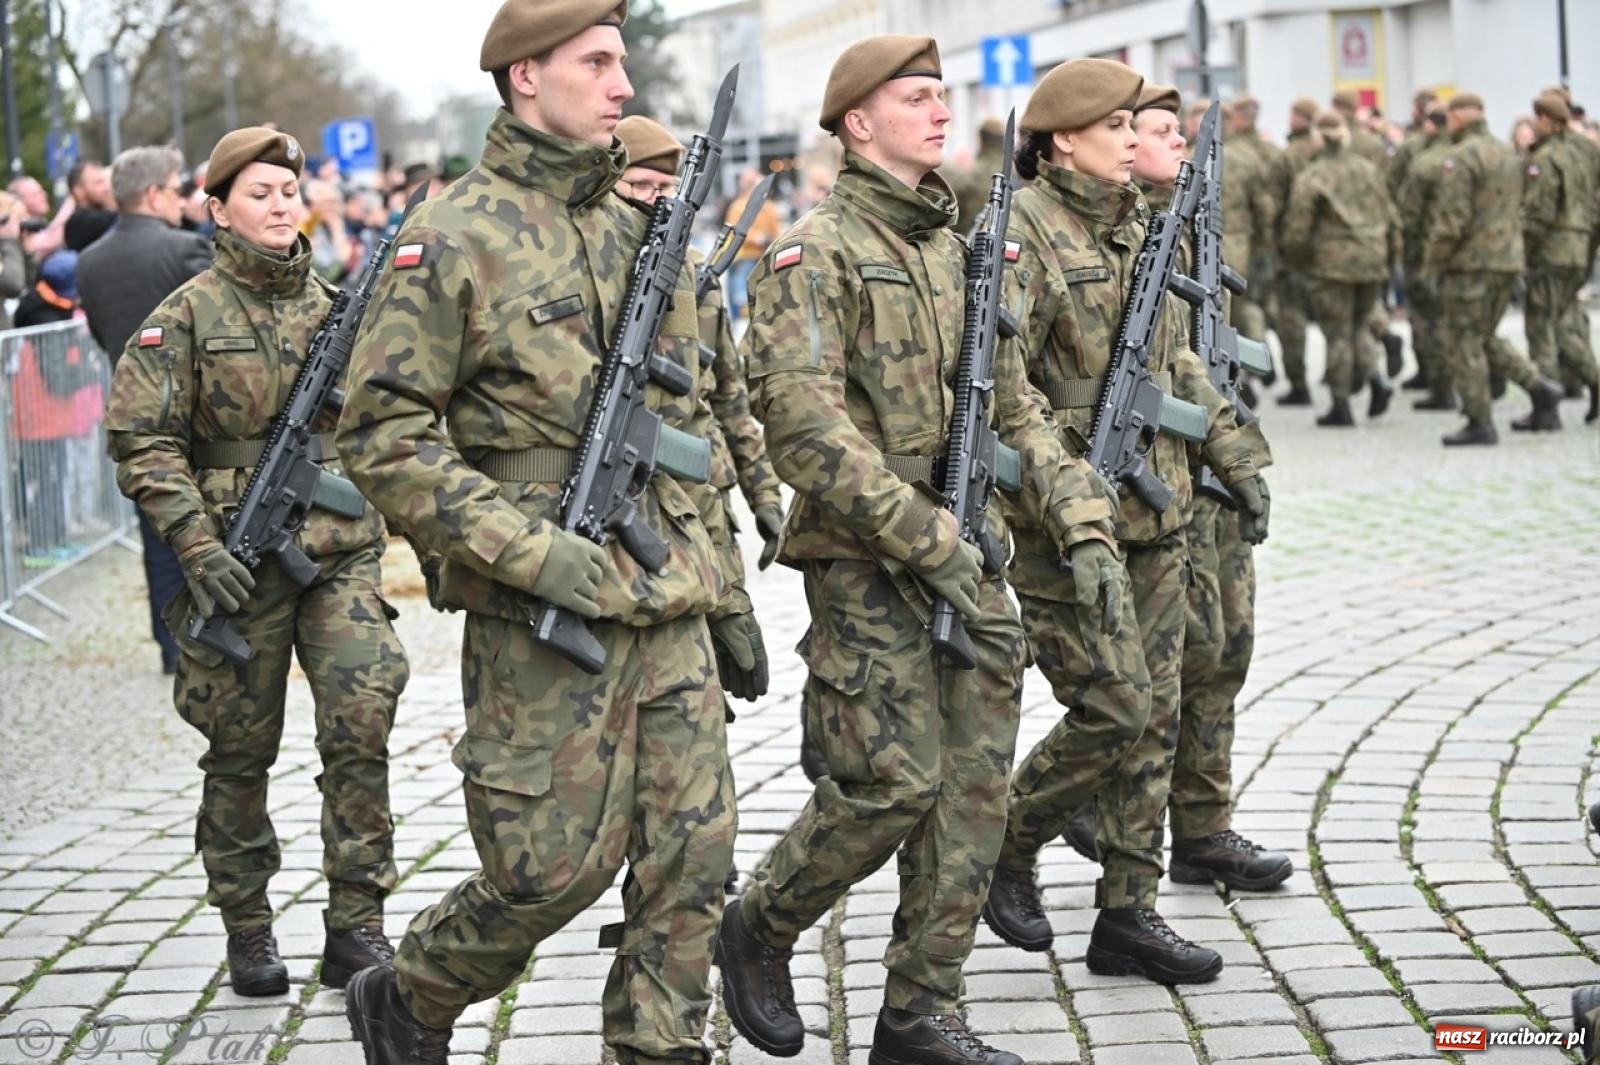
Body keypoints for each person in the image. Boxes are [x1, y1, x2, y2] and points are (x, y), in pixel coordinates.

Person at [335, 4, 736, 1063]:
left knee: (693, 856)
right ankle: (411, 992)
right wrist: (533, 550)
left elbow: (684, 426)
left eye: (623, 61)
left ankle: (657, 1046)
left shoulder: (632, 229)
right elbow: (381, 436)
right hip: (539, 606)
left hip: (667, 594)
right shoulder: (451, 237)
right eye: (596, 63)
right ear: (525, 77)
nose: (622, 86)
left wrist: (723, 583)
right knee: (547, 871)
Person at [718, 35, 1121, 1065]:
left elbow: (1012, 396)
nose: (940, 110)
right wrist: (920, 535)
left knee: (975, 786)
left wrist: (1070, 503)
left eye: (943, 95)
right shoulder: (816, 253)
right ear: (858, 122)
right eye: (915, 97)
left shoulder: (953, 247)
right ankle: (758, 925)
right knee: (888, 784)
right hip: (867, 558)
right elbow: (802, 429)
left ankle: (919, 1011)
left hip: (967, 547)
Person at [978, 58, 1266, 986]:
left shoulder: (1139, 225)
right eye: (1115, 127)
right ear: (1066, 140)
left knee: (1156, 713)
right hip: (1070, 516)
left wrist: (1234, 452)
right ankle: (1010, 837)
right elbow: (999, 382)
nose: (1133, 138)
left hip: (1159, 508)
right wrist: (1068, 493)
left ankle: (1128, 914)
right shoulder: (1023, 230)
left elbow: (1177, 365)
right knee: (1116, 707)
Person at [104, 127, 408, 999]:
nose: (279, 207)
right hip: (235, 562)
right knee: (240, 752)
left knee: (362, 721)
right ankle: (248, 928)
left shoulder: (339, 307)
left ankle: (358, 925)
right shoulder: (186, 316)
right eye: (260, 193)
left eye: (287, 191)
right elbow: (143, 442)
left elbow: (394, 420)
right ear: (218, 208)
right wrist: (197, 544)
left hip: (339, 554)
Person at [612, 113, 779, 887]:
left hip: (699, 522)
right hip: (613, 525)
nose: (654, 201)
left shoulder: (696, 289)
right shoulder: (599, 279)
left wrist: (765, 503)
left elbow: (730, 406)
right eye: (639, 186)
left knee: (705, 703)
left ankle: (694, 864)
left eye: (664, 188)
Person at [78, 145, 215, 675]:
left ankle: (171, 646)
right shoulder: (183, 249)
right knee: (207, 525)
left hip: (133, 416)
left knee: (158, 535)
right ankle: (210, 633)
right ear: (155, 193)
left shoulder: (91, 261)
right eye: (180, 187)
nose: (186, 199)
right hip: (196, 413)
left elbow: (98, 334)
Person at [1418, 93, 1563, 445]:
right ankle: (1540, 387)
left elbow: (1452, 220)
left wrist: (1431, 264)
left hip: (1471, 264)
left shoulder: (1462, 157)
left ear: (1456, 118)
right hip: (1506, 260)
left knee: (1464, 339)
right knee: (1483, 335)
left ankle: (1480, 420)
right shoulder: (1506, 153)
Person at [1281, 111, 1400, 426]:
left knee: (1337, 334)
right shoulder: (1369, 171)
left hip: (1332, 265)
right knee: (1360, 325)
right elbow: (1391, 216)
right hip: (1372, 260)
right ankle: (1376, 379)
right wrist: (1390, 257)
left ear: (1319, 138)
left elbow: (1297, 230)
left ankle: (1341, 404)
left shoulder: (1313, 176)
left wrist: (1297, 262)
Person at [1520, 91, 1599, 425]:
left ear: (1544, 120)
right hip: (1579, 246)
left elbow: (1538, 213)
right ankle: (1594, 383)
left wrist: (1522, 248)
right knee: (1564, 322)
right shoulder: (1584, 152)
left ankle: (1546, 406)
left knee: (1541, 328)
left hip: (1550, 251)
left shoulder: (1546, 158)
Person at [1396, 104, 1458, 411]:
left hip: (1425, 251)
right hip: (1468, 252)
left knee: (1429, 318)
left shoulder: (1424, 162)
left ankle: (1441, 384)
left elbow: (1408, 213)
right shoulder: (1470, 156)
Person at [1274, 98, 1320, 406]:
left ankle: (1299, 383)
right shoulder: (1353, 155)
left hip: (1294, 246)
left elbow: (1273, 205)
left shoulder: (1289, 156)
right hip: (1336, 249)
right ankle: (1369, 370)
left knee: (1292, 316)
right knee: (1345, 321)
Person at [722, 167, 782, 320]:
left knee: (746, 298)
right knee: (741, 298)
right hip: (744, 258)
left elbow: (776, 233)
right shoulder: (739, 205)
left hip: (759, 258)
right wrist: (758, 238)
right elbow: (734, 230)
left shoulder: (768, 207)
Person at [64, 160, 118, 251]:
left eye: (104, 182)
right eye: (98, 183)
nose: (106, 188)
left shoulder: (103, 216)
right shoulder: (79, 221)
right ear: (78, 191)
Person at [0, 191, 31, 327]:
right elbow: (13, 284)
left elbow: (28, 283)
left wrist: (27, 250)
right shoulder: (7, 245)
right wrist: (9, 240)